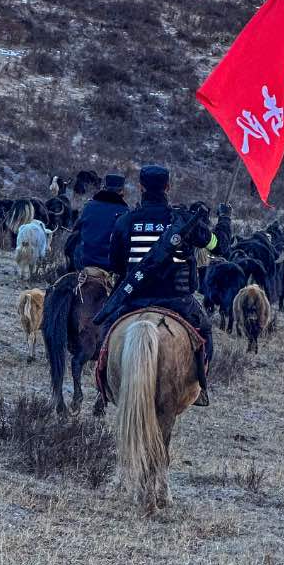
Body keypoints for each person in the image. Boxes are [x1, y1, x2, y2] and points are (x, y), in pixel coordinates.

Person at [105, 165, 218, 406]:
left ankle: (104, 382)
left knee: (105, 331)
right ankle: (201, 385)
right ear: (168, 187)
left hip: (133, 299)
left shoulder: (125, 221)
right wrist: (222, 223)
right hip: (177, 301)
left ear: (141, 187)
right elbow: (217, 245)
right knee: (206, 332)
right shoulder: (184, 221)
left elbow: (115, 264)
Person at [69, 173, 129, 272]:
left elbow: (76, 233)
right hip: (111, 267)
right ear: (122, 191)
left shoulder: (88, 207)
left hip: (84, 264)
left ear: (104, 188)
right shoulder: (125, 212)